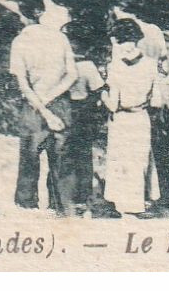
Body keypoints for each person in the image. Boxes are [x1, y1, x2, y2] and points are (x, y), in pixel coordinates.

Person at [10, 1, 79, 214]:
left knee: (29, 158)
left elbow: (22, 84)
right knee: (62, 157)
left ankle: (26, 205)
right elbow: (72, 75)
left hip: (33, 105)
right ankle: (62, 206)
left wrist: (42, 106)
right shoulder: (61, 38)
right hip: (59, 102)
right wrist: (52, 98)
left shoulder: (20, 41)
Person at [103, 18, 157, 216]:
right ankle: (138, 202)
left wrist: (101, 92)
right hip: (142, 117)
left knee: (121, 160)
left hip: (122, 118)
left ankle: (122, 204)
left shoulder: (116, 66)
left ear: (119, 40)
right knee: (139, 159)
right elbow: (157, 100)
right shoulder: (151, 64)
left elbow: (113, 104)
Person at [63, 18, 108, 215]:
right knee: (83, 155)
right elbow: (99, 89)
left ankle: (61, 196)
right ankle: (82, 196)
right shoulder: (88, 65)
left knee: (63, 155)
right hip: (83, 112)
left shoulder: (62, 62)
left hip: (65, 110)